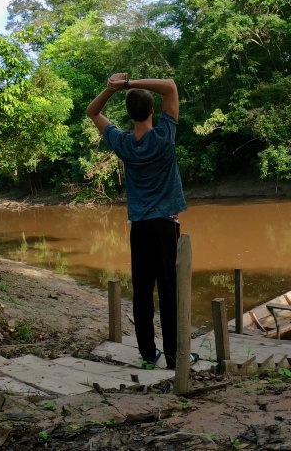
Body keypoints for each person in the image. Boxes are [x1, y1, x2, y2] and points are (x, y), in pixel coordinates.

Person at [86, 73, 187, 369]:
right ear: (153, 110)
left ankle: (146, 356)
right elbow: (170, 85)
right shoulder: (164, 136)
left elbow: (92, 112)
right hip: (165, 225)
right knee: (169, 292)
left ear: (130, 115)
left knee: (142, 291)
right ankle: (172, 357)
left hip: (139, 227)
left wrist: (110, 89)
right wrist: (128, 84)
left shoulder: (124, 143)